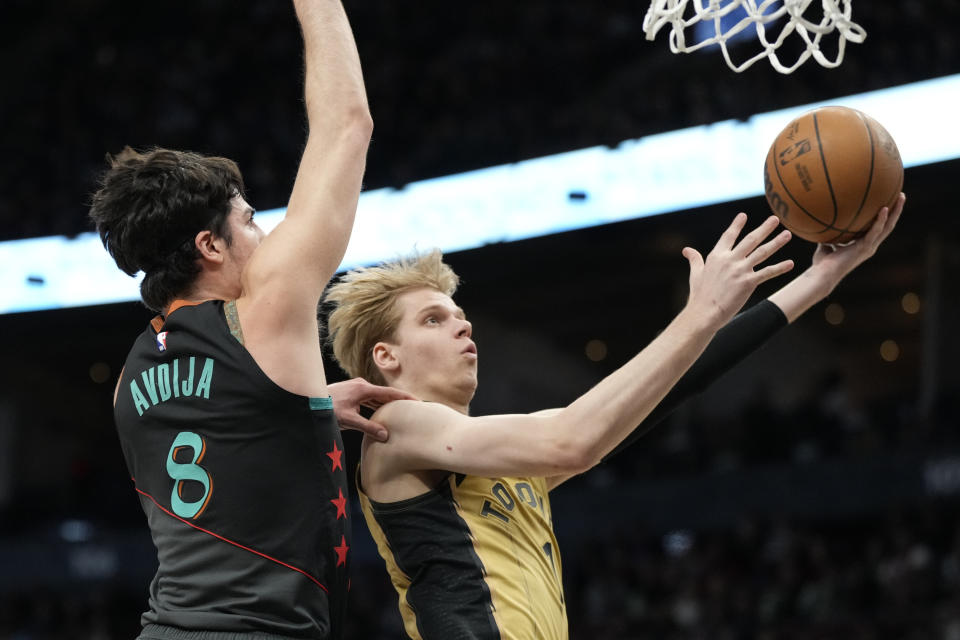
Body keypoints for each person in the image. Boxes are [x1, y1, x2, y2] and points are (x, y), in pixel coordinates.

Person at [323, 196, 905, 640]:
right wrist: (698, 314)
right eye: (433, 319)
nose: (463, 325)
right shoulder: (396, 426)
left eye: (460, 314)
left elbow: (669, 391)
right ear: (385, 357)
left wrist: (819, 279)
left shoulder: (489, 466)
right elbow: (573, 442)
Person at [88, 2, 410, 639]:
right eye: (252, 222)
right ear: (210, 247)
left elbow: (226, 432)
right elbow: (347, 123)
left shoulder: (130, 377)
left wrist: (309, 408)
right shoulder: (262, 313)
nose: (266, 237)